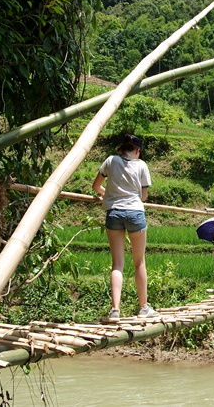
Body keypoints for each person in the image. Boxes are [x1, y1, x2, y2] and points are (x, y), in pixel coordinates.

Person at [92, 134, 160, 322]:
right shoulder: (142, 165)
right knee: (139, 262)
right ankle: (143, 307)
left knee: (117, 264)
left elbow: (96, 186)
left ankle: (115, 310)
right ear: (137, 150)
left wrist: (109, 196)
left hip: (113, 213)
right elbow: (143, 196)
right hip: (135, 213)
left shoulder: (110, 160)